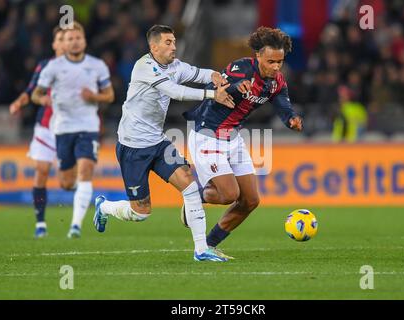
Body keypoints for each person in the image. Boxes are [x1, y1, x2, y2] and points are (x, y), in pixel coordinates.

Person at [93, 25, 234, 262]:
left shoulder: (176, 66)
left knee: (189, 184)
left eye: (174, 42)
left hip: (158, 143)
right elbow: (175, 92)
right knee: (141, 212)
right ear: (154, 46)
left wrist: (216, 76)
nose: (174, 47)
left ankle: (201, 250)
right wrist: (211, 95)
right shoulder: (144, 67)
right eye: (168, 42)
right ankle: (104, 207)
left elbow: (199, 73)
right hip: (133, 147)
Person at [183, 26, 303, 259]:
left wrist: (292, 120)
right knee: (228, 194)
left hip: (233, 137)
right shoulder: (239, 68)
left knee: (250, 200)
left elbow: (283, 106)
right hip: (207, 133)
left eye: (280, 61)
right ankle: (195, 196)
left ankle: (209, 245)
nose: (276, 67)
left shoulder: (276, 81)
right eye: (271, 61)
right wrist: (237, 89)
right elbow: (214, 89)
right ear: (258, 55)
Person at [31, 21, 115, 238]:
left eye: (78, 38)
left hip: (88, 127)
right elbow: (35, 94)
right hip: (62, 129)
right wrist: (44, 99)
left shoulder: (97, 65)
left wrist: (94, 97)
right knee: (67, 183)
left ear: (84, 41)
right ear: (63, 44)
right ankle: (80, 192)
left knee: (86, 169)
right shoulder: (52, 68)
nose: (75, 42)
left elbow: (110, 95)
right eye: (70, 39)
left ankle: (75, 226)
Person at [9, 26, 65, 238]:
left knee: (66, 181)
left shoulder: (82, 68)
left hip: (69, 128)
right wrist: (19, 102)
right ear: (54, 44)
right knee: (41, 171)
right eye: (59, 39)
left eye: (67, 39)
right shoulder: (44, 66)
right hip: (45, 127)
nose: (63, 43)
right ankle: (40, 222)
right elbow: (31, 91)